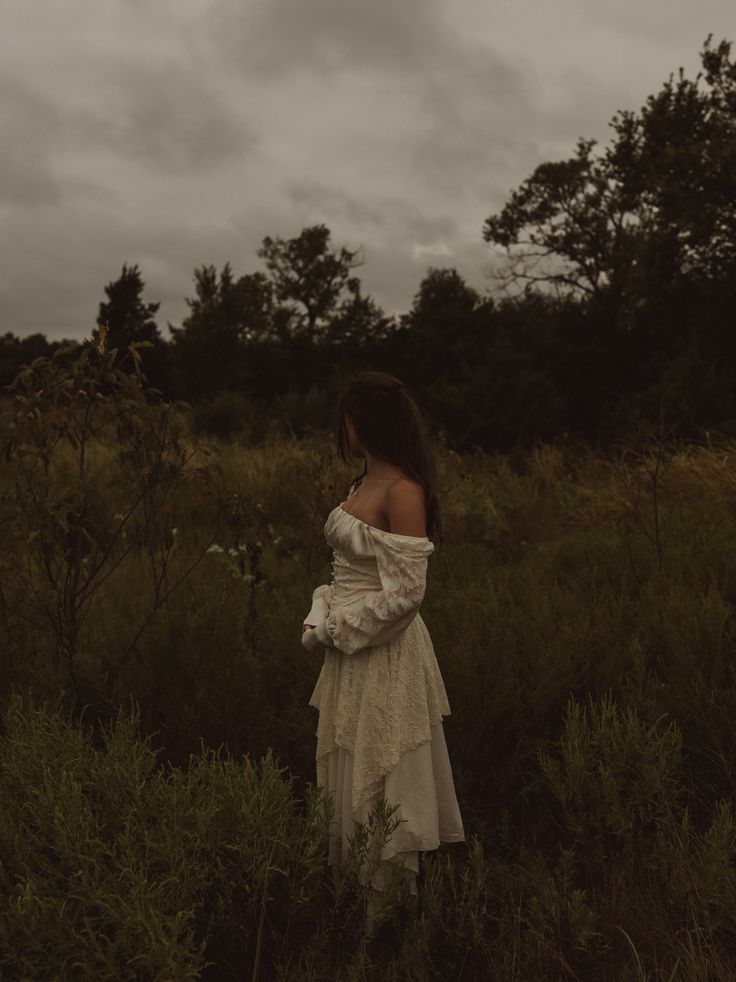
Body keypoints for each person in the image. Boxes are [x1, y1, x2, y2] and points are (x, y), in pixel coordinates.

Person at [301, 369, 464, 927]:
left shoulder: (403, 491)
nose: (343, 430)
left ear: (363, 422)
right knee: (351, 766)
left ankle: (386, 921)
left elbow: (405, 597)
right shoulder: (359, 485)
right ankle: (351, 901)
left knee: (383, 775)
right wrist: (323, 604)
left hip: (382, 653)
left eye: (346, 419)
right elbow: (350, 572)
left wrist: (336, 627)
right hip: (349, 652)